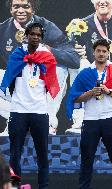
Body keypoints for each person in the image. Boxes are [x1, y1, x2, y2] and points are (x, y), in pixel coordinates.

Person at [0, 0, 80, 136]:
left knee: (61, 68)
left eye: (26, 6)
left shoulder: (47, 26)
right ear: (10, 9)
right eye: (16, 6)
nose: (20, 10)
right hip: (16, 83)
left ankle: (47, 122)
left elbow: (74, 59)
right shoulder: (3, 29)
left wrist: (47, 49)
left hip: (42, 82)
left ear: (33, 9)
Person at [66, 39, 112, 189]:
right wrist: (91, 93)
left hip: (110, 119)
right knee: (87, 158)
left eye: (104, 51)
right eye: (98, 51)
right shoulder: (85, 73)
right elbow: (75, 97)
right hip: (90, 120)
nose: (101, 54)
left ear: (108, 53)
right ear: (93, 52)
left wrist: (109, 92)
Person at [0, 23, 60, 189]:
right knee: (15, 154)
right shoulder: (18, 54)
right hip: (19, 111)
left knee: (42, 154)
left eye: (38, 35)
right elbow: (10, 80)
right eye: (32, 34)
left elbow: (51, 82)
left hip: (40, 111)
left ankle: (44, 186)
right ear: (26, 35)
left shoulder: (46, 56)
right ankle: (15, 186)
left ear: (41, 37)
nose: (35, 37)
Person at [65, 0, 112, 134]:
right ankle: (80, 121)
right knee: (79, 65)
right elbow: (71, 55)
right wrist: (76, 52)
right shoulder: (81, 25)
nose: (102, 1)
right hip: (93, 87)